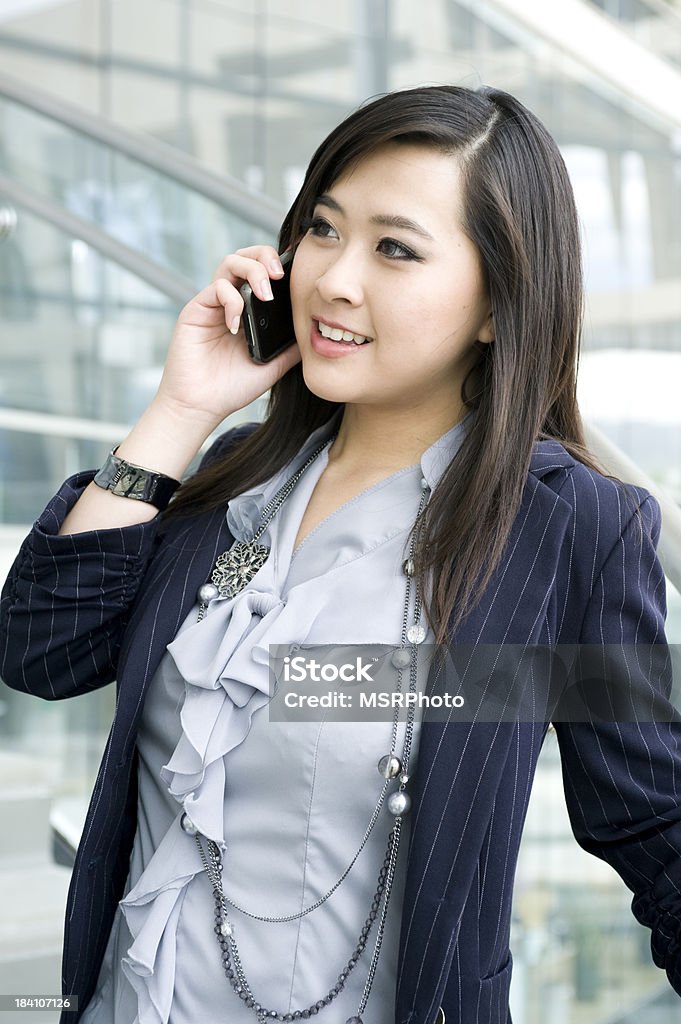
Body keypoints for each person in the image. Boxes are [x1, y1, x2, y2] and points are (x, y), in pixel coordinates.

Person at [1, 84, 679, 1024]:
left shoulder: (568, 530)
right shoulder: (236, 476)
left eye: (394, 249)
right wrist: (182, 412)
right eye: (322, 230)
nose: (334, 278)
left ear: (495, 304)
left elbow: (654, 822)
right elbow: (40, 653)